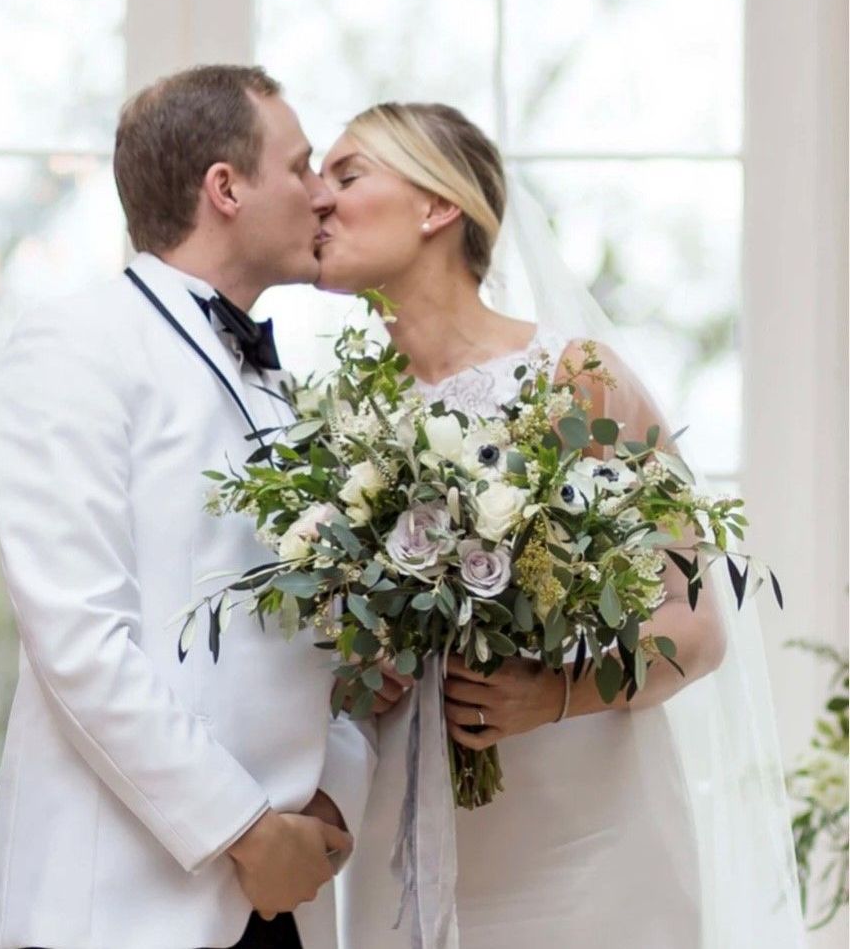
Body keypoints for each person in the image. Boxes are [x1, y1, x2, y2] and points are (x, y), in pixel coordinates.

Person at [315, 102, 803, 948]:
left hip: (588, 856)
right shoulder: (344, 420)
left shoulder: (577, 378)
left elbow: (695, 629)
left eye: (348, 175)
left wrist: (551, 695)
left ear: (438, 207)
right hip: (408, 849)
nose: (317, 200)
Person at [0, 65, 375, 949]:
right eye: (303, 167)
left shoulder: (293, 395)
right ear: (226, 188)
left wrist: (330, 802)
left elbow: (340, 641)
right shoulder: (72, 345)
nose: (323, 198)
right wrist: (245, 829)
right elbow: (78, 640)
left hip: (280, 905)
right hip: (117, 913)